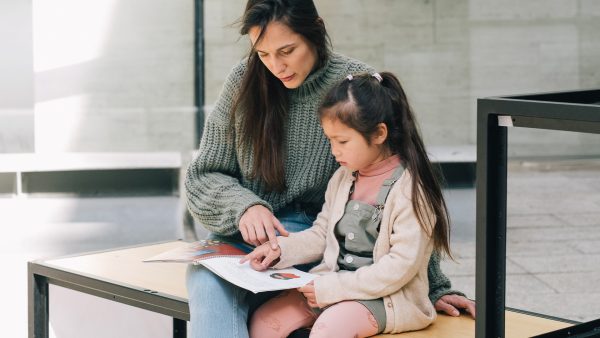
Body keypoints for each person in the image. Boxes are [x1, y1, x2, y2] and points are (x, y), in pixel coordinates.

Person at [184, 1, 475, 337]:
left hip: (316, 239)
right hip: (250, 239)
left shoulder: (352, 90)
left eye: (287, 50)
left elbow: (400, 188)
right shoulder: (243, 82)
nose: (276, 65)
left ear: (316, 30)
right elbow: (202, 175)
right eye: (263, 54)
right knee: (206, 280)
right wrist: (244, 207)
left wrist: (436, 287)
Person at [242, 72, 452, 337]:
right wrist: (279, 250)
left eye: (342, 141)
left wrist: (332, 288)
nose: (334, 151)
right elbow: (322, 234)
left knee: (329, 329)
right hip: (333, 287)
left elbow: (399, 267)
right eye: (330, 140)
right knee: (264, 321)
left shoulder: (410, 190)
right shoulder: (343, 178)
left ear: (379, 134)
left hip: (387, 299)